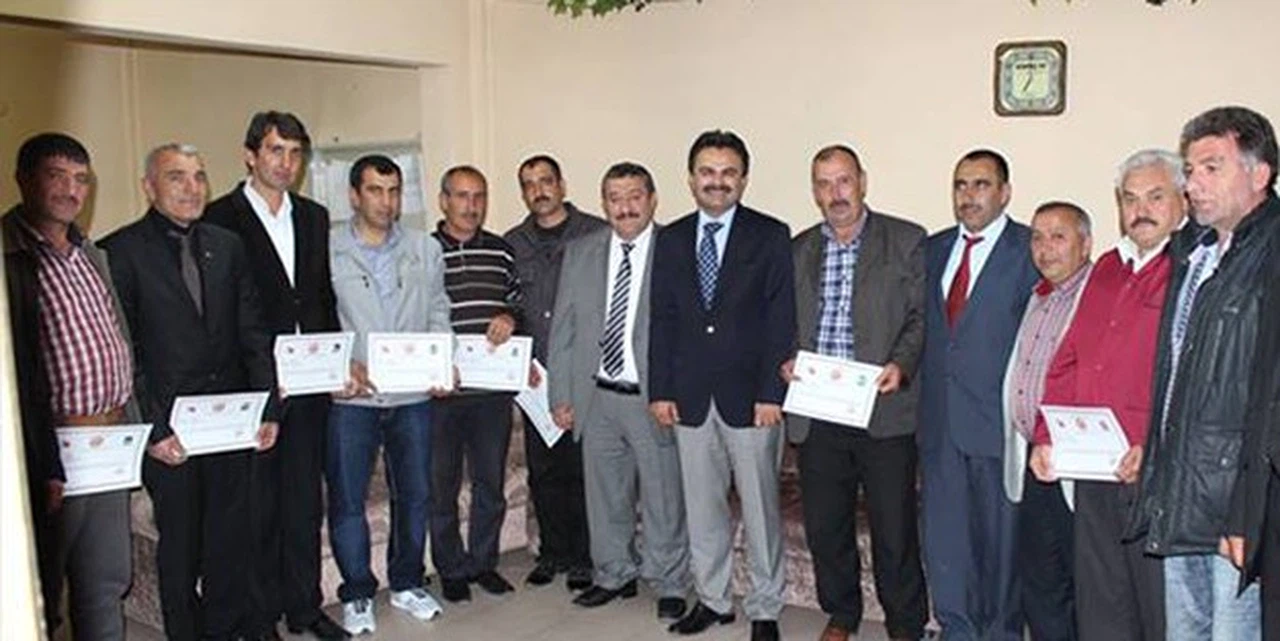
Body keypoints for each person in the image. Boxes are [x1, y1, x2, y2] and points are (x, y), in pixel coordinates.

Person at [102, 143, 279, 641]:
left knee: (229, 540)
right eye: (176, 177)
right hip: (169, 434)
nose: (192, 188)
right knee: (180, 548)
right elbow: (125, 351)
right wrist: (153, 429)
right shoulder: (118, 251)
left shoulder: (226, 245)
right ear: (148, 187)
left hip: (229, 425)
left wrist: (268, 408)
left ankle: (225, 629)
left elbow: (252, 332)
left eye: (199, 176)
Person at [1131, 105, 1280, 640]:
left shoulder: (1271, 253)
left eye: (1212, 168)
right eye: (1191, 170)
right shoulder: (1192, 251)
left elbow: (1271, 396)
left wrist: (1247, 511)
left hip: (1240, 503)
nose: (1192, 184)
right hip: (1183, 492)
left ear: (1259, 174)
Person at [1029, 150, 1185, 641]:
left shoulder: (1191, 268)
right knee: (1101, 600)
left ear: (1182, 200)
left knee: (1157, 608)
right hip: (1094, 467)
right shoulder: (1108, 268)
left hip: (1154, 468)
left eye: (1155, 197)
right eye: (1130, 199)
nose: (1141, 210)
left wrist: (1151, 442)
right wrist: (1045, 436)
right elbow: (1069, 358)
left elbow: (1191, 377)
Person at [203, 110, 346, 641]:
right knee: (258, 511)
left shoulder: (312, 216)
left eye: (295, 153)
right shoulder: (218, 218)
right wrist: (259, 377)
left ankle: (305, 608)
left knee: (304, 505)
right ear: (250, 155)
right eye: (275, 150)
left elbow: (320, 298)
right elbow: (220, 314)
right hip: (255, 388)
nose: (286, 163)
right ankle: (260, 619)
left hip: (310, 385)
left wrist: (336, 361)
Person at [649, 130, 796, 641]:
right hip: (689, 397)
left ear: (743, 179)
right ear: (691, 180)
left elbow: (781, 319)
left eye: (728, 172)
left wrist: (772, 394)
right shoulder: (671, 238)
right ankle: (713, 600)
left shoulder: (770, 234)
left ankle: (765, 607)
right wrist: (661, 390)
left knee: (760, 510)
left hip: (752, 400)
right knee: (702, 508)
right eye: (707, 172)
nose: (718, 181)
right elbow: (662, 319)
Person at [780, 144, 927, 641]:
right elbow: (782, 322)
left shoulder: (905, 241)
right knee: (826, 528)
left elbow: (920, 317)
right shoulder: (798, 249)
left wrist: (901, 364)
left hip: (883, 410)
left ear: (862, 181)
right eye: (824, 184)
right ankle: (842, 613)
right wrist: (786, 359)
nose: (835, 193)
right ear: (814, 191)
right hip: (819, 412)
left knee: (894, 530)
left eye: (843, 181)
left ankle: (905, 624)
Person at [3, 132, 136, 640]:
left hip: (107, 444)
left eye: (81, 179)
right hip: (47, 450)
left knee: (106, 579)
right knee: (40, 591)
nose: (71, 190)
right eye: (56, 176)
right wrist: (38, 463)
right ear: (24, 180)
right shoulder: (9, 254)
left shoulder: (91, 255)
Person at [547, 161, 691, 619]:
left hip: (654, 397)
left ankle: (670, 581)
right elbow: (564, 329)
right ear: (603, 203)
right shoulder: (581, 252)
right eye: (615, 198)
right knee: (605, 494)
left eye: (634, 196)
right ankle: (613, 573)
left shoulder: (677, 249)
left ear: (652, 199)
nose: (625, 207)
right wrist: (560, 394)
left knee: (664, 496)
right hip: (597, 396)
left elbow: (691, 332)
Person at [323, 154, 451, 635]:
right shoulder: (328, 250)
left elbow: (438, 309)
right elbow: (317, 317)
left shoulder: (424, 248)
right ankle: (357, 592)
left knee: (415, 494)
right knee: (348, 499)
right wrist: (338, 366)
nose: (386, 201)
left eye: (394, 191)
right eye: (375, 190)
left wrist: (441, 361)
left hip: (412, 395)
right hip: (352, 399)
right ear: (354, 195)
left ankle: (407, 582)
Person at [919, 149, 1038, 641]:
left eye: (981, 185)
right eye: (961, 185)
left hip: (998, 425)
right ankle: (957, 629)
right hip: (939, 423)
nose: (969, 196)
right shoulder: (932, 249)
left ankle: (1000, 633)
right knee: (945, 541)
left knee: (1000, 545)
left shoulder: (1030, 248)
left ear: (1005, 193)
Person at [504, 154, 605, 590]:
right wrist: (517, 355)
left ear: (562, 185)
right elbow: (508, 305)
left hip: (583, 375)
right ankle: (553, 553)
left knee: (582, 471)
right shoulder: (512, 243)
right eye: (529, 184)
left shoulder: (596, 234)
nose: (539, 191)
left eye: (546, 181)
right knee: (544, 472)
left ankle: (584, 557)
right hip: (535, 378)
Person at [430, 165, 526, 603]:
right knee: (441, 487)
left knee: (490, 483)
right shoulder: (425, 250)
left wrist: (510, 316)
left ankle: (483, 563)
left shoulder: (502, 251)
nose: (472, 206)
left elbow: (519, 302)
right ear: (443, 201)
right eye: (462, 196)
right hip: (440, 394)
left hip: (491, 394)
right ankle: (451, 569)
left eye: (479, 196)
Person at [1003, 201, 1094, 641]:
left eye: (1059, 236)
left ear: (1086, 244)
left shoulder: (1099, 297)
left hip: (1079, 466)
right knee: (1040, 580)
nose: (1045, 247)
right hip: (1033, 460)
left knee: (1083, 583)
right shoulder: (1037, 297)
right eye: (1037, 237)